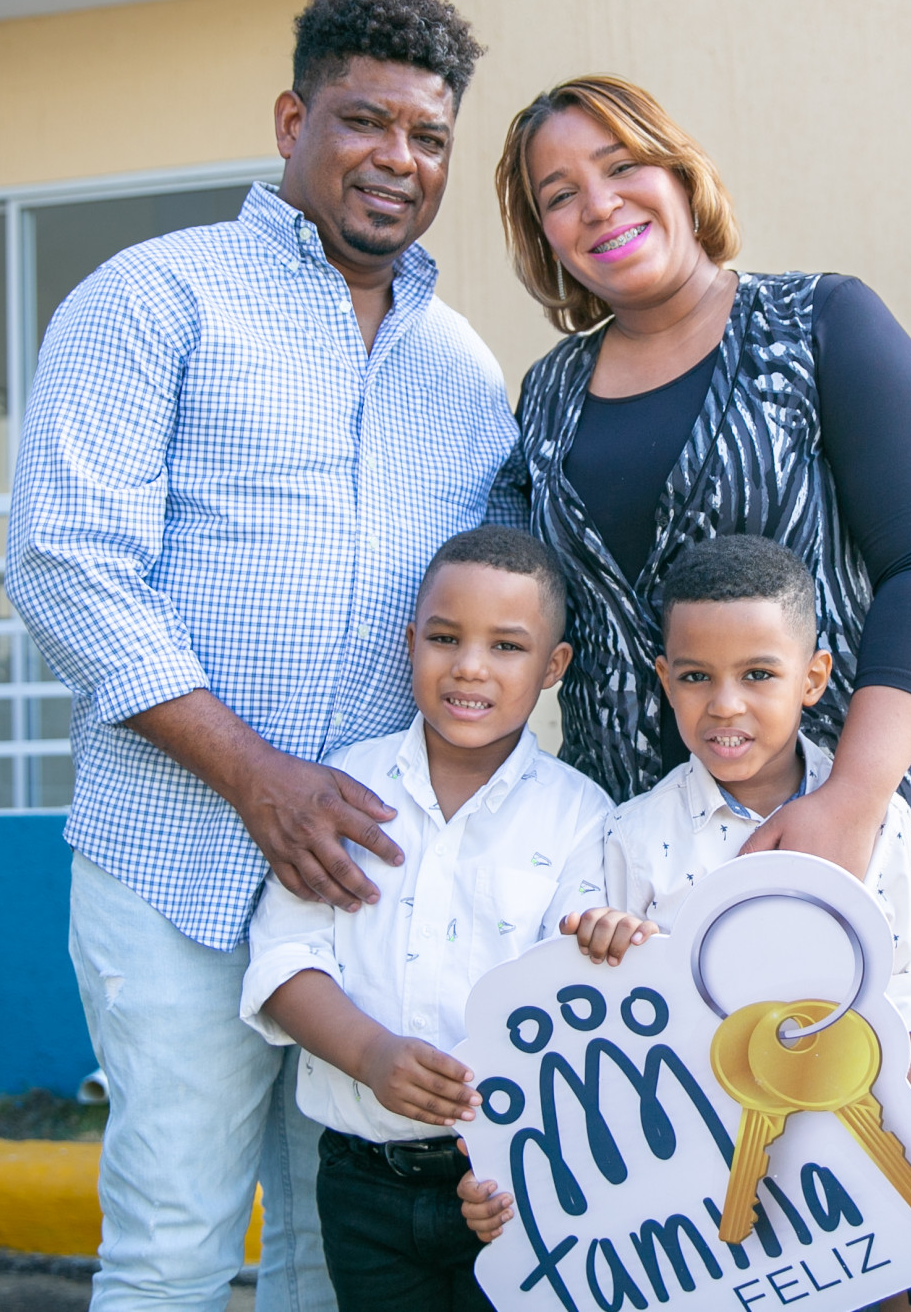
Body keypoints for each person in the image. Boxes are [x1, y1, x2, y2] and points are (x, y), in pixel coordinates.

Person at [6, 0, 512, 1311]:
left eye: (428, 137)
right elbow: (67, 565)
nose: (398, 159)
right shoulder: (153, 295)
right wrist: (256, 775)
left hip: (365, 890)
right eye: (365, 121)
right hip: (175, 858)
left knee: (332, 1254)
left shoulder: (462, 368)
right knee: (174, 1246)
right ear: (294, 121)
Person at [491, 76, 911, 1309]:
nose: (598, 205)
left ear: (680, 173)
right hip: (651, 854)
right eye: (558, 194)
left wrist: (850, 799)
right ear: (542, 236)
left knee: (904, 1168)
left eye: (621, 166)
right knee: (706, 1204)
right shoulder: (550, 395)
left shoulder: (817, 323)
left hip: (852, 810)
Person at [459, 537, 911, 1306]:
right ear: (664, 680)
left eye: (758, 675)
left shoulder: (878, 820)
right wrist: (607, 949)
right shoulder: (631, 836)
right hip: (695, 1204)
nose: (725, 704)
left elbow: (904, 987)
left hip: (848, 1192)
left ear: (813, 677)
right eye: (696, 677)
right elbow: (574, 1033)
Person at [241, 526, 610, 1310]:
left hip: (514, 1180)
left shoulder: (581, 815)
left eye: (506, 646)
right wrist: (371, 1052)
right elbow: (282, 959)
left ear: (553, 667)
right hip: (362, 1183)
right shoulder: (344, 788)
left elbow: (576, 1006)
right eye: (445, 638)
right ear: (411, 643)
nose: (470, 665)